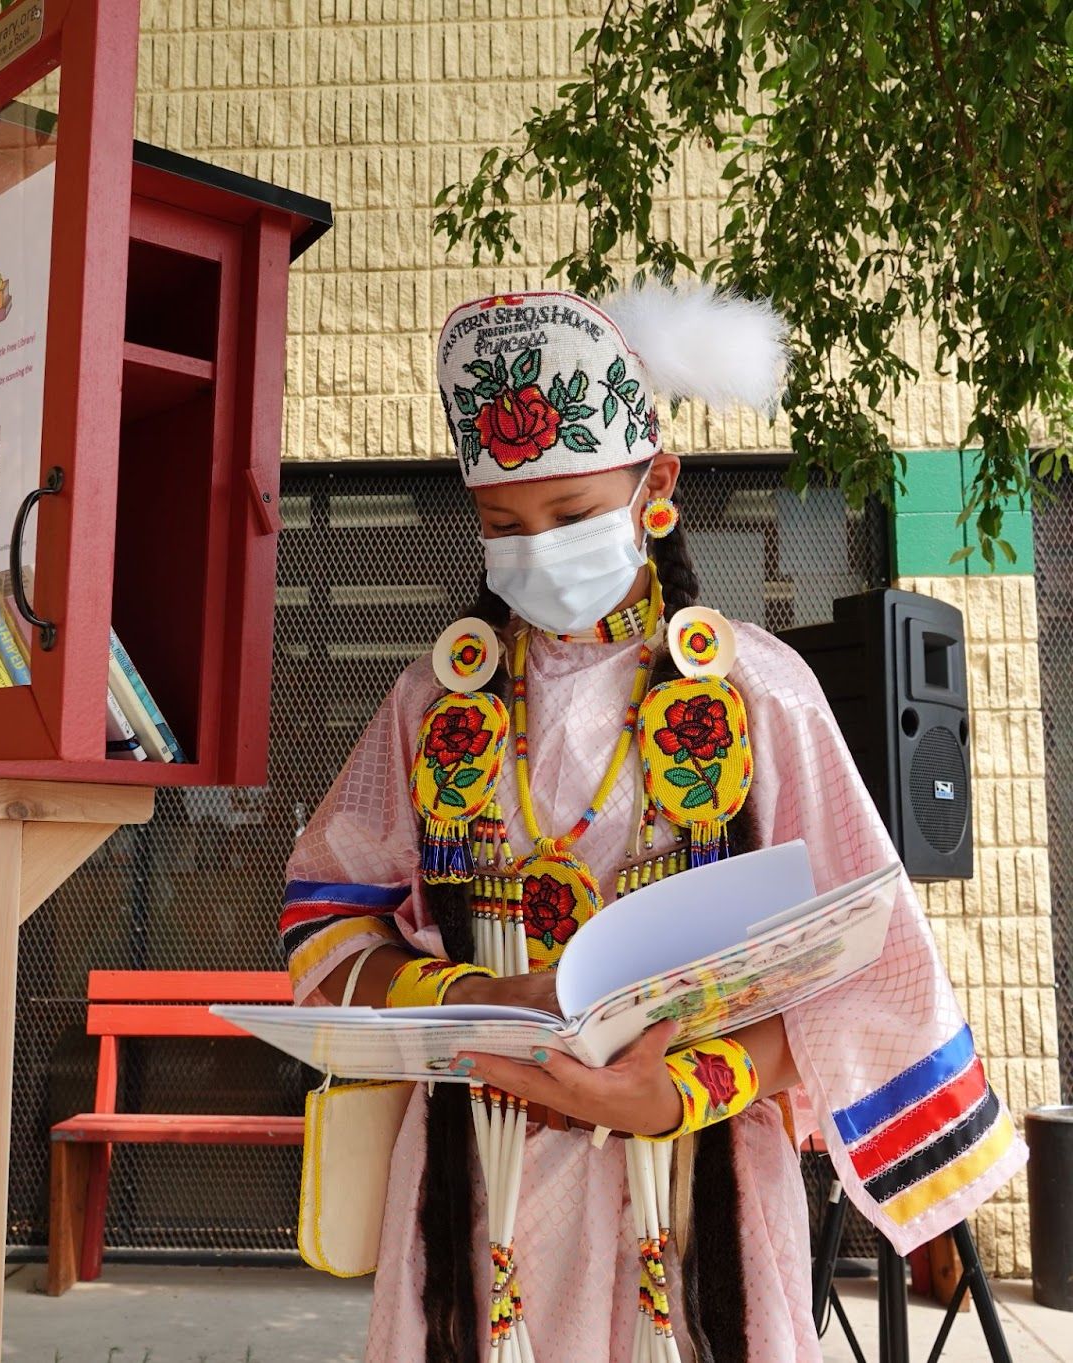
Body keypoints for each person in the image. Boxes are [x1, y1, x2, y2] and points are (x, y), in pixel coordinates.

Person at [279, 284, 1025, 1363]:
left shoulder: (756, 692)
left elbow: (869, 965)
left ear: (655, 484)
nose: (537, 551)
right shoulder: (432, 705)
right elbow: (325, 921)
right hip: (476, 1188)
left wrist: (678, 1089)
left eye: (573, 515)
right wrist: (474, 995)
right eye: (502, 526)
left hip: (697, 1191)